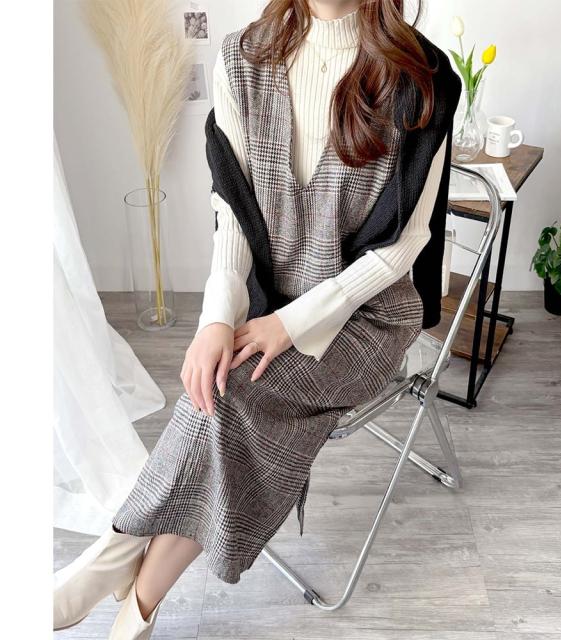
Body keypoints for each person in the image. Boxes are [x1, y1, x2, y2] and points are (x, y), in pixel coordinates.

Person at [53, 1, 459, 637]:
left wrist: (289, 325)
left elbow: (402, 248)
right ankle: (131, 602)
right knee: (219, 389)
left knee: (230, 394)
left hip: (367, 317)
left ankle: (122, 568)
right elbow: (234, 212)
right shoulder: (243, 59)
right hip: (268, 299)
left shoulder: (422, 78)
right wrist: (216, 318)